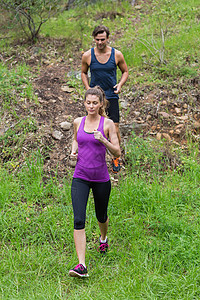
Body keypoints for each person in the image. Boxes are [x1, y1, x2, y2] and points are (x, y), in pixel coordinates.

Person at [69, 86, 121, 278]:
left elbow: (117, 152)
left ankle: (103, 237)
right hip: (80, 176)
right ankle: (81, 265)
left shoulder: (107, 124)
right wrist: (74, 150)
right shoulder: (77, 122)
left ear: (101, 104)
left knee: (101, 215)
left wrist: (103, 140)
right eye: (88, 102)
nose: (91, 106)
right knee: (78, 219)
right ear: (84, 103)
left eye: (94, 103)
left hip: (101, 178)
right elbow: (77, 139)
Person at [81, 25, 128, 173]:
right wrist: (87, 87)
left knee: (115, 127)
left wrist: (120, 84)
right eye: (97, 40)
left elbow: (125, 71)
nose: (100, 42)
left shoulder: (116, 54)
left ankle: (115, 157)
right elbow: (83, 72)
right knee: (95, 127)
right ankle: (95, 157)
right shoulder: (88, 55)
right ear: (93, 39)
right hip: (95, 98)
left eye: (103, 39)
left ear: (108, 38)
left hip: (111, 95)